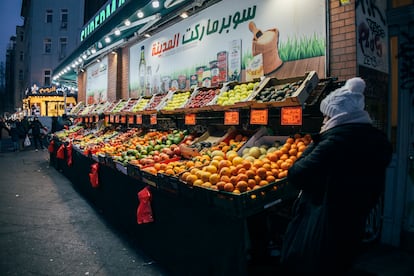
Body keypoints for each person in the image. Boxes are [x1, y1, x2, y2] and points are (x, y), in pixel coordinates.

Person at [280, 77, 393, 274]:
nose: (324, 121)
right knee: (341, 261)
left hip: (324, 222)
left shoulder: (335, 142)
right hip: (354, 219)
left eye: (326, 116)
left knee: (316, 265)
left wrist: (318, 139)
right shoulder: (375, 138)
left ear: (338, 116)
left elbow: (296, 173)